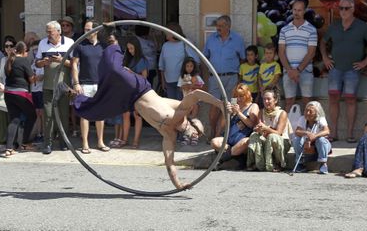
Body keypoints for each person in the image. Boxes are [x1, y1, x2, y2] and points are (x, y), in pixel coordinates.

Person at [68, 29, 225, 189]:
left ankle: (72, 95)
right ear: (190, 124)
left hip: (130, 101)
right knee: (114, 70)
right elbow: (197, 94)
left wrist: (178, 184)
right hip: (139, 88)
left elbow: (169, 162)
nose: (193, 135)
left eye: (193, 136)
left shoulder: (168, 135)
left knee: (98, 110)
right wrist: (220, 104)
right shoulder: (180, 113)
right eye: (194, 132)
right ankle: (112, 41)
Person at [320, 0, 367, 142]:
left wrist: (365, 62)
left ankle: (350, 134)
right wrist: (325, 58)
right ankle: (333, 133)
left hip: (352, 71)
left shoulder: (362, 26)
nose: (343, 11)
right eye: (341, 8)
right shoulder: (334, 26)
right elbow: (322, 42)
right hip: (335, 70)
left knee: (350, 100)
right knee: (333, 99)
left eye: (346, 8)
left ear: (353, 9)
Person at [203, 15, 246, 138]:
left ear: (228, 26)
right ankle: (212, 131)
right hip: (214, 78)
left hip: (232, 78)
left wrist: (238, 77)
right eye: (217, 25)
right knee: (214, 106)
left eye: (221, 26)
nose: (218, 28)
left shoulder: (237, 39)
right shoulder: (211, 39)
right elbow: (205, 58)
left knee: (230, 106)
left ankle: (221, 134)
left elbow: (243, 59)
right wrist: (206, 78)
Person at [35, 20, 74, 154]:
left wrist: (61, 60)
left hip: (63, 86)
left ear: (58, 31)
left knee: (63, 115)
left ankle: (64, 142)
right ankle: (48, 143)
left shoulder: (69, 42)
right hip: (47, 86)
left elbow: (74, 64)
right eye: (47, 32)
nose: (48, 34)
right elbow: (37, 63)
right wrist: (44, 62)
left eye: (50, 32)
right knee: (48, 115)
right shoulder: (42, 43)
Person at [71, 20, 108, 154]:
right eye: (85, 29)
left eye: (88, 30)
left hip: (99, 83)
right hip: (84, 83)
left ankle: (100, 141)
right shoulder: (80, 45)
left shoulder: (103, 46)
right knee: (85, 114)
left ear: (96, 30)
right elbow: (74, 64)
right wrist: (76, 83)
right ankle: (85, 143)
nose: (86, 32)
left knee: (100, 114)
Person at [278, 0, 317, 112]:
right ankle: (287, 129)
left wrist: (298, 70)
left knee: (308, 102)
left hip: (305, 71)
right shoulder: (284, 30)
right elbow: (281, 52)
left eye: (299, 10)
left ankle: (307, 129)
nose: (296, 12)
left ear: (304, 11)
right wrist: (290, 70)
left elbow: (311, 53)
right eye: (295, 9)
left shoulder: (312, 30)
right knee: (289, 102)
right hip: (288, 72)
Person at [210, 84, 259, 167]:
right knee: (214, 142)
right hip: (229, 141)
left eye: (241, 96)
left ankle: (221, 159)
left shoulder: (253, 106)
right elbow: (222, 125)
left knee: (246, 141)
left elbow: (252, 125)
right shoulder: (234, 104)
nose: (239, 99)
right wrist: (227, 113)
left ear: (247, 95)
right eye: (236, 96)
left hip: (242, 140)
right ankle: (238, 156)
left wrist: (239, 113)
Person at [2, 41, 36, 157]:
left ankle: (9, 148)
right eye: (27, 51)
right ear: (24, 51)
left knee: (14, 119)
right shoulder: (23, 61)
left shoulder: (10, 60)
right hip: (20, 93)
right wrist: (37, 78)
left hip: (8, 93)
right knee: (32, 115)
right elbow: (31, 78)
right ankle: (25, 143)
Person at [246, 86, 291, 172]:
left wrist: (266, 128)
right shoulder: (261, 112)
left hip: (281, 141)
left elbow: (279, 133)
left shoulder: (282, 113)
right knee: (254, 135)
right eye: (264, 99)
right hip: (265, 139)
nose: (266, 102)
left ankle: (279, 163)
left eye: (269, 99)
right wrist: (258, 129)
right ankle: (257, 163)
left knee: (273, 137)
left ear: (275, 100)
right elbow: (258, 127)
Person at [120, 36, 149, 149]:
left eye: (132, 48)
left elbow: (144, 77)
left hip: (138, 91)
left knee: (137, 116)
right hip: (127, 90)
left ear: (137, 47)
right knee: (126, 115)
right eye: (128, 49)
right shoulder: (127, 58)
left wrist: (131, 72)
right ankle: (124, 139)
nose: (130, 51)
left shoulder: (142, 60)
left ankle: (136, 141)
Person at [159, 22, 199, 100]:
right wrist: (163, 82)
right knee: (172, 106)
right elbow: (162, 66)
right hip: (169, 82)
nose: (164, 33)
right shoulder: (165, 46)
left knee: (182, 105)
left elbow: (196, 61)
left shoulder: (185, 43)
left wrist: (193, 79)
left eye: (166, 31)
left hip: (183, 81)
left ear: (172, 32)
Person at [292, 101, 331, 174]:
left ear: (317, 112)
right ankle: (300, 164)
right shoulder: (302, 118)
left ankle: (323, 163)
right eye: (306, 110)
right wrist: (307, 133)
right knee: (296, 139)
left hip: (319, 147)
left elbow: (327, 131)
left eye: (310, 111)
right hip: (307, 147)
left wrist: (314, 136)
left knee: (321, 140)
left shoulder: (321, 119)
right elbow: (297, 131)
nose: (307, 113)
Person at [177, 57, 204, 123]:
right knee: (186, 113)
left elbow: (201, 86)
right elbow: (180, 87)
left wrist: (192, 85)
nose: (189, 68)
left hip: (195, 100)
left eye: (191, 66)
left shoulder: (196, 77)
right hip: (186, 100)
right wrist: (186, 86)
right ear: (184, 67)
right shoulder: (182, 77)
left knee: (195, 108)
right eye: (187, 66)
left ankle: (192, 120)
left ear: (194, 67)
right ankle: (188, 122)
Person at [30, 40, 44, 144]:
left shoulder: (43, 63)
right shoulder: (32, 64)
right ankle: (39, 133)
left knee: (42, 113)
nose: (35, 52)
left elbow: (41, 77)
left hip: (42, 90)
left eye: (37, 50)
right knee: (37, 113)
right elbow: (30, 78)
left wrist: (35, 78)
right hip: (34, 90)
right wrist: (34, 78)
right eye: (33, 50)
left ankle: (44, 133)